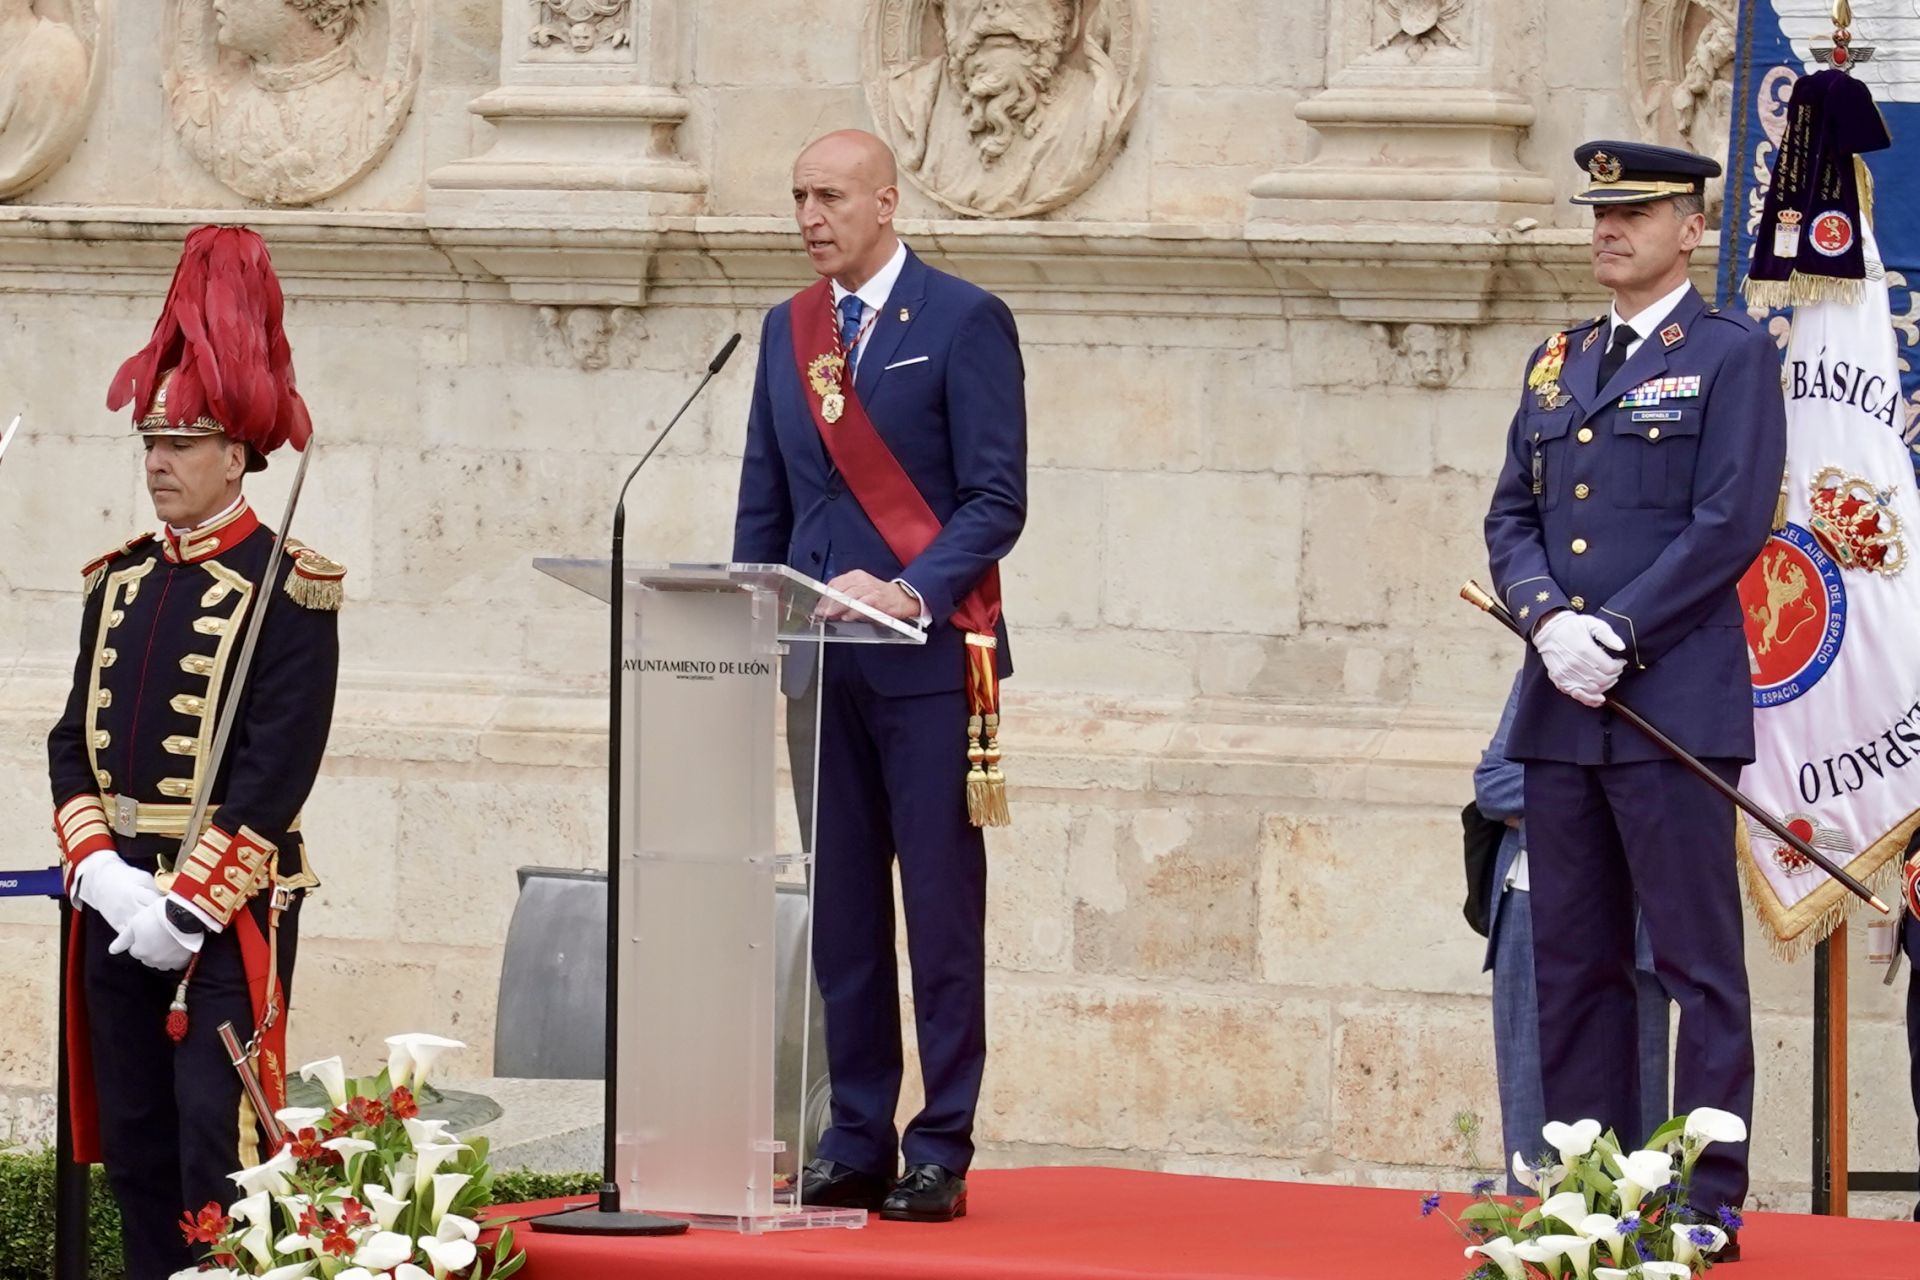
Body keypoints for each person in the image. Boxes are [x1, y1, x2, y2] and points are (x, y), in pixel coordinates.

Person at [1483, 140, 1785, 1233]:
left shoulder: (1730, 354)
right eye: (1601, 211)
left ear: (1690, 228)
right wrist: (1547, 618)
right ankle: (1591, 1186)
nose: (1609, 228)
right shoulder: (1557, 359)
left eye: (1636, 212)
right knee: (1574, 957)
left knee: (1697, 962)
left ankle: (1704, 1193)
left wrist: (1617, 625)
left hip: (1669, 704)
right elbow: (1511, 513)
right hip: (1562, 703)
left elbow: (1729, 522)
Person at [731, 129, 1027, 1223]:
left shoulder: (963, 320)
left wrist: (915, 586)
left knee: (940, 911)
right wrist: (746, 617)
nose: (811, 215)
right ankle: (855, 1132)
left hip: (929, 662)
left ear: (888, 201)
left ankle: (939, 1142)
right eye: (799, 195)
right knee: (844, 908)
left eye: (831, 195)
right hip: (820, 659)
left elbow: (996, 499)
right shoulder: (786, 330)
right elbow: (766, 493)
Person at [47, 225, 343, 1279]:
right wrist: (99, 869)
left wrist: (186, 906)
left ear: (237, 452)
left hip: (224, 905)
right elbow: (68, 738)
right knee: (129, 1138)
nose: (159, 461)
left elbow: (278, 766)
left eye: (181, 442)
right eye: (150, 444)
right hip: (117, 896)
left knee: (217, 1145)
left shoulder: (290, 584)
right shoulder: (117, 582)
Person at [1475, 670, 1673, 1192]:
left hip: (1633, 912)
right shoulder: (1538, 676)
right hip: (1530, 902)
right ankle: (1537, 1226)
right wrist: (1601, 790)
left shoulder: (1671, 683)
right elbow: (1493, 787)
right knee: (1531, 1085)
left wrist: (1556, 793)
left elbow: (1669, 795)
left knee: (1639, 1085)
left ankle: (1634, 1232)